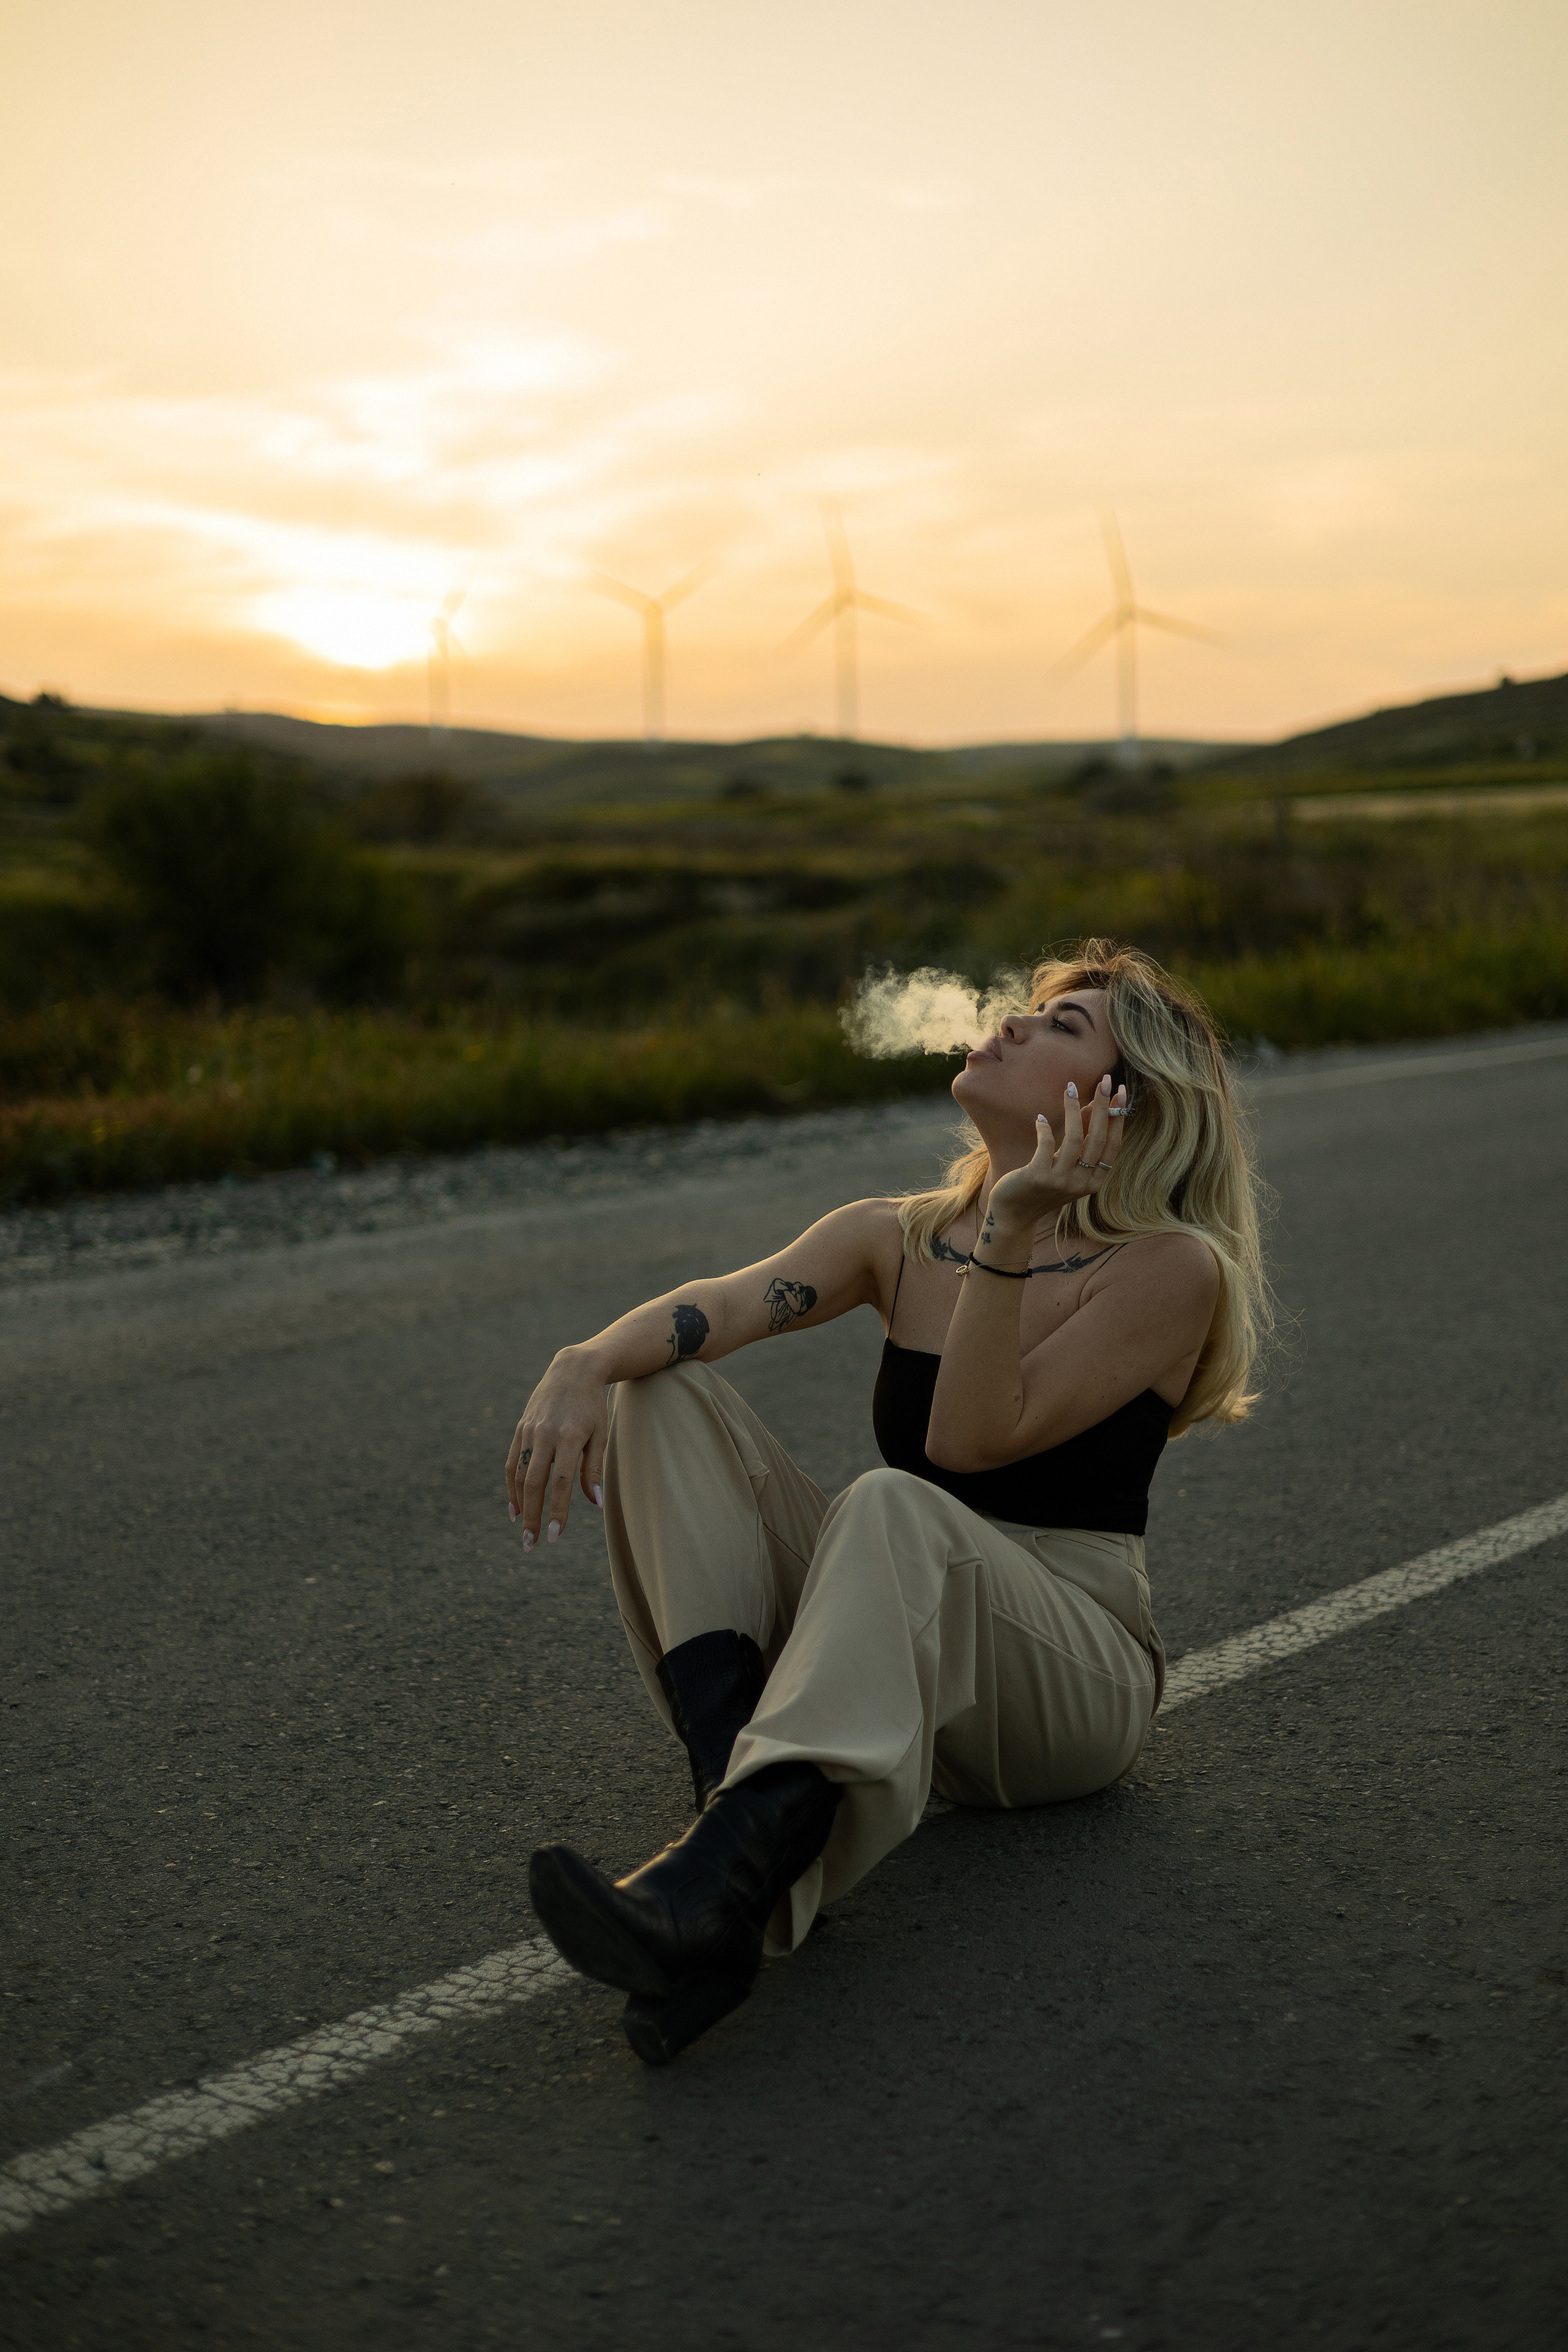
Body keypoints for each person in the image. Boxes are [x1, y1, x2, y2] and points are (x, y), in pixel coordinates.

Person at [505, 939, 1268, 2065]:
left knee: (892, 1502)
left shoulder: (1167, 1266)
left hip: (1066, 1675)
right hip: (896, 1651)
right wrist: (583, 1362)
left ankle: (720, 1887)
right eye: (1025, 1008)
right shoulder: (897, 1235)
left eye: (1063, 1026)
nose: (1012, 1023)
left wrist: (1011, 1227)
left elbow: (965, 1445)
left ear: (1124, 1106)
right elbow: (721, 1306)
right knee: (659, 1388)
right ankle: (733, 1812)